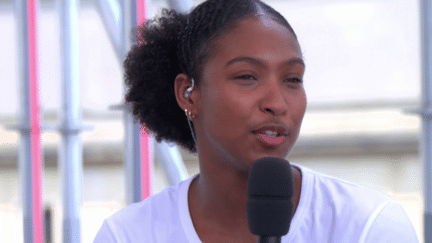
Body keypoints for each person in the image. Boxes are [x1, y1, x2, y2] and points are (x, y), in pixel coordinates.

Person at [94, 0, 419, 242]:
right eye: (247, 76)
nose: (277, 103)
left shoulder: (367, 227)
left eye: (293, 79)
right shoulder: (128, 235)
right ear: (188, 93)